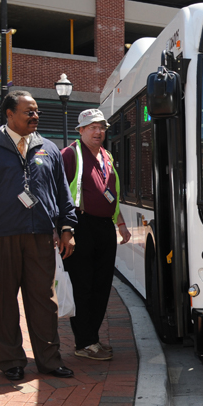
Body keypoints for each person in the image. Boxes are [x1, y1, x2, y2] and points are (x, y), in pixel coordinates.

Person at [0, 91, 77, 381]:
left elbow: (62, 192)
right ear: (9, 114)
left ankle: (48, 360)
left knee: (43, 300)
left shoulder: (48, 148)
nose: (36, 116)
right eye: (28, 112)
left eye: (36, 111)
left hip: (40, 237)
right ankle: (11, 361)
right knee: (1, 301)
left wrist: (67, 227)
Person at [62, 109, 132, 361]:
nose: (98, 131)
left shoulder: (107, 155)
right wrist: (64, 230)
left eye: (101, 127)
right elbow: (58, 195)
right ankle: (84, 343)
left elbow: (112, 191)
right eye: (92, 127)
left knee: (101, 286)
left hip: (104, 227)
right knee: (83, 286)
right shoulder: (70, 154)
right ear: (80, 130)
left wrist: (120, 223)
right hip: (80, 226)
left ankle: (92, 338)